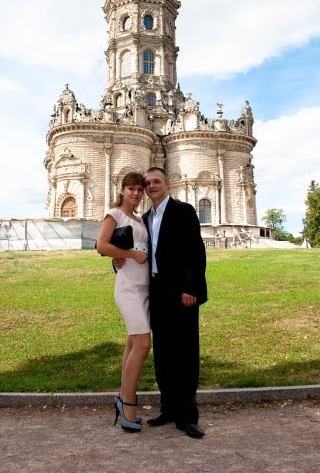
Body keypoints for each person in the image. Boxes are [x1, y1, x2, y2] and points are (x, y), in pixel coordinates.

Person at [116, 167, 208, 439]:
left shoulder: (183, 211)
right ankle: (168, 408)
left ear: (167, 184)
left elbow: (195, 251)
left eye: (156, 181)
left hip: (181, 293)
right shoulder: (145, 218)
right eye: (147, 183)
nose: (151, 186)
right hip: (155, 292)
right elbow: (132, 250)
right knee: (164, 354)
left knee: (186, 353)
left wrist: (190, 288)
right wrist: (118, 259)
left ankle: (188, 416)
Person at [96, 172, 150, 433]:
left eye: (140, 189)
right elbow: (101, 245)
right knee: (143, 343)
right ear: (123, 190)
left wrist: (123, 256)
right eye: (131, 189)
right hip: (128, 288)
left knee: (132, 343)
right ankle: (128, 403)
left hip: (144, 287)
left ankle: (122, 396)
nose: (136, 193)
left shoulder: (140, 219)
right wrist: (129, 255)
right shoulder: (114, 214)